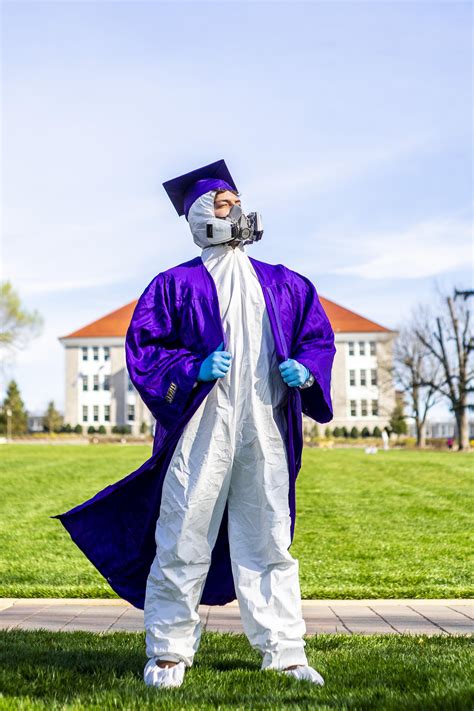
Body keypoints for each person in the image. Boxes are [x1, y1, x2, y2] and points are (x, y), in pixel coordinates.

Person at [52, 159, 336, 691]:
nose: (235, 210)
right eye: (222, 204)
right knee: (184, 531)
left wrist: (308, 370)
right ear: (200, 214)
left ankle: (285, 650)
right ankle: (168, 651)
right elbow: (146, 350)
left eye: (236, 201)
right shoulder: (174, 286)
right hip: (201, 426)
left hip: (264, 424)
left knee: (269, 535)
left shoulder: (285, 285)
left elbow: (316, 338)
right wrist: (191, 370)